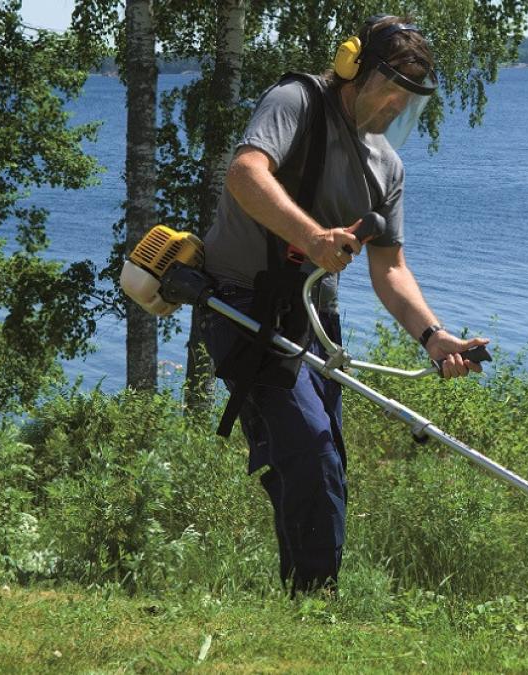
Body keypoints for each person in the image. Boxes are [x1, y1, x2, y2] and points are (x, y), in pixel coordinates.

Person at [199, 14, 489, 595]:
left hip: (312, 316)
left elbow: (391, 270)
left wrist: (435, 337)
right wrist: (312, 238)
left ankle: (307, 596)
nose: (392, 110)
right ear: (352, 67)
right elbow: (244, 174)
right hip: (239, 301)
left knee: (324, 455)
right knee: (308, 445)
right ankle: (313, 599)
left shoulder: (387, 166)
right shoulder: (295, 102)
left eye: (406, 103)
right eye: (387, 93)